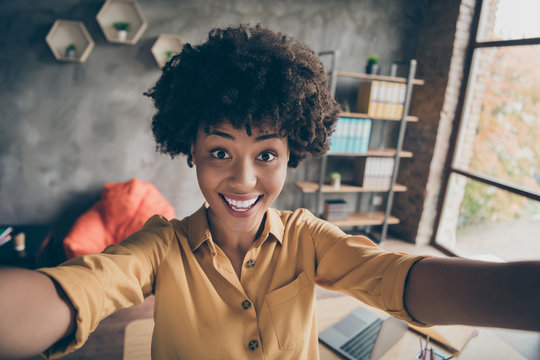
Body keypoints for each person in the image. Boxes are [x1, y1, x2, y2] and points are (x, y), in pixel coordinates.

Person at [0, 24, 538, 360]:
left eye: (266, 155)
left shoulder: (310, 239)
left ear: (291, 154)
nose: (242, 180)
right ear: (190, 148)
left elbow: (397, 278)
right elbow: (75, 292)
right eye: (219, 152)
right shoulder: (159, 248)